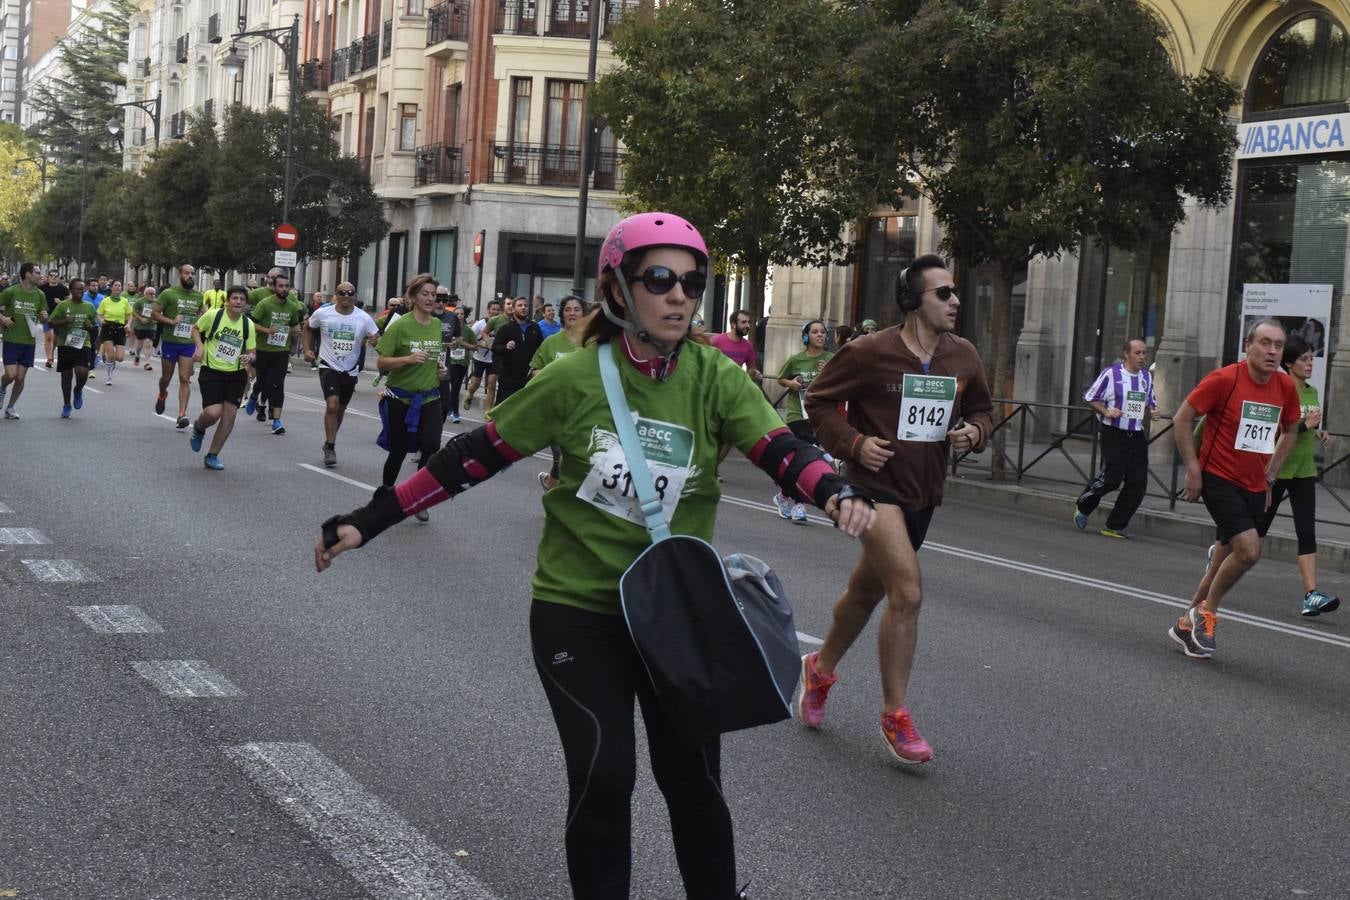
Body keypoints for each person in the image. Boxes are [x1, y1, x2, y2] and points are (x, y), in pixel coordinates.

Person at [314, 212, 876, 899]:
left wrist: (835, 492)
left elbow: (779, 449)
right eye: (660, 279)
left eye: (693, 283)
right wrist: (371, 519)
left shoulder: (713, 376)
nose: (679, 297)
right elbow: (471, 459)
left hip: (674, 615)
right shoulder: (576, 378)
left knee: (693, 782)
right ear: (619, 289)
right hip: (578, 612)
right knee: (606, 775)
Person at [802, 254, 993, 764]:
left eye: (954, 292)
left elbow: (983, 409)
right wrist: (854, 443)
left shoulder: (964, 356)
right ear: (913, 300)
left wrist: (974, 432)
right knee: (906, 593)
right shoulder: (869, 352)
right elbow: (817, 401)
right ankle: (895, 716)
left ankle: (818, 668)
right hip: (873, 490)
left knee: (865, 593)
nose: (955, 301)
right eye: (943, 293)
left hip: (922, 495)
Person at [1169, 319, 1303, 659]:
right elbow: (1182, 418)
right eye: (1265, 343)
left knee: (1221, 563)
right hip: (1218, 478)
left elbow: (1290, 430)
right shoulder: (1224, 379)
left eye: (1278, 346)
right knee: (1249, 551)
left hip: (1255, 485)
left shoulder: (1285, 387)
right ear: (1248, 345)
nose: (1272, 351)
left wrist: (1271, 475)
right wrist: (1193, 469)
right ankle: (1206, 614)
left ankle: (1186, 624)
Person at [1251, 334, 1339, 617]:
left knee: (1307, 531)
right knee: (1257, 529)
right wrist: (1304, 426)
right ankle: (1221, 554)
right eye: (1304, 359)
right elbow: (1275, 432)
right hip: (1278, 470)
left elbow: (1308, 426)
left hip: (1303, 471)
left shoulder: (1312, 392)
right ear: (1289, 363)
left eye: (1312, 358)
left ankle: (1311, 595)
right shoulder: (1281, 390)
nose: (1310, 363)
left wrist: (1319, 432)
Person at [375, 274, 447, 522]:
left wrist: (440, 369)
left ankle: (419, 498)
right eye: (425, 294)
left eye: (433, 294)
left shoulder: (437, 325)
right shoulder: (400, 326)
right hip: (401, 398)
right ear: (413, 296)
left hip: (429, 396)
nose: (430, 299)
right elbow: (381, 362)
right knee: (398, 451)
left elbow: (435, 358)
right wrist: (406, 359)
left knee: (431, 444)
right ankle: (385, 493)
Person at [1073, 338, 1161, 538]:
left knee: (1138, 484)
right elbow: (1090, 397)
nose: (1142, 357)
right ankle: (1084, 505)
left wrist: (1153, 411)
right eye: (1137, 353)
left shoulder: (1146, 377)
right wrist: (1106, 411)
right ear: (1126, 354)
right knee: (1111, 479)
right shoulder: (1111, 374)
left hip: (1136, 434)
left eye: (1144, 353)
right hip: (1113, 433)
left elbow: (1150, 401)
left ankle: (1115, 525)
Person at [307, 281, 381, 467]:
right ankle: (331, 446)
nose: (346, 296)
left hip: (350, 369)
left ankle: (329, 441)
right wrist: (308, 350)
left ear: (355, 296)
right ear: (336, 295)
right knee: (332, 405)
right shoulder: (324, 313)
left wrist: (375, 341)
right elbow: (307, 328)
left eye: (350, 293)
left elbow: (377, 339)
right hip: (328, 365)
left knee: (340, 409)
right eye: (342, 293)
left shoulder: (363, 318)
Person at [188, 286, 257, 470]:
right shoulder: (214, 316)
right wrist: (200, 347)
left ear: (245, 304)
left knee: (229, 415)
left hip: (236, 374)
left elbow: (252, 352)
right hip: (212, 370)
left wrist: (249, 357)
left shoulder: (247, 324)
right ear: (227, 301)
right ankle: (199, 428)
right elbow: (195, 329)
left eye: (242, 299)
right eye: (235, 298)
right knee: (213, 413)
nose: (238, 302)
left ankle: (212, 455)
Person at [773, 319, 835, 523]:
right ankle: (798, 505)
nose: (820, 335)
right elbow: (781, 378)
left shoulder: (831, 359)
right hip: (797, 414)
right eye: (815, 332)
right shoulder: (796, 359)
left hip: (820, 414)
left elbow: (841, 383)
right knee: (805, 457)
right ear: (806, 337)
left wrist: (829, 370)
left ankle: (783, 496)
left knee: (814, 458)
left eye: (823, 332)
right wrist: (791, 383)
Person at [530, 294, 586, 490]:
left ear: (583, 313)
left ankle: (550, 484)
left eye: (576, 309)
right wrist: (553, 376)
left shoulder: (593, 344)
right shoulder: (551, 342)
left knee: (575, 461)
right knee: (561, 457)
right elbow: (534, 370)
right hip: (557, 412)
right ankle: (557, 502)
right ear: (562, 313)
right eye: (568, 309)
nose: (572, 313)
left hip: (585, 411)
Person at [246, 269, 307, 434]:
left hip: (281, 351)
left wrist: (297, 331)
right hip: (263, 349)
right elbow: (252, 324)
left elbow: (294, 324)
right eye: (281, 286)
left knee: (277, 385)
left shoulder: (292, 307)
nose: (284, 289)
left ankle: (277, 420)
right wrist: (267, 331)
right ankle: (254, 395)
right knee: (263, 381)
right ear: (274, 286)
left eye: (287, 286)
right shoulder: (265, 304)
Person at [152, 263, 205, 429]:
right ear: (180, 275)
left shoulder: (198, 296)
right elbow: (154, 313)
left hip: (188, 344)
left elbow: (200, 314)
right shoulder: (168, 294)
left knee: (184, 378)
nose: (191, 276)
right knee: (166, 379)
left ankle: (182, 415)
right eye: (187, 273)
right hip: (170, 342)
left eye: (193, 274)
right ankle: (162, 393)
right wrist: (171, 321)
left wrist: (201, 321)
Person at [0, 262, 49, 419]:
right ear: (27, 274)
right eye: (36, 272)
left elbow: (41, 316)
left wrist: (43, 317)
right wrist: (3, 318)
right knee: (11, 375)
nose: (39, 275)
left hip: (29, 342)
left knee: (20, 378)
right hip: (11, 339)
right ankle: (2, 388)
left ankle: (11, 407)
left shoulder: (40, 295)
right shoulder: (11, 291)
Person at [48, 279, 97, 418]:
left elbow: (94, 326)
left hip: (83, 343)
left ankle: (78, 389)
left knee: (82, 372)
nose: (80, 292)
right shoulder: (63, 306)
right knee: (66, 376)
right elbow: (51, 322)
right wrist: (64, 321)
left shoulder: (89, 307)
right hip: (65, 343)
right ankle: (66, 404)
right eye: (77, 289)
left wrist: (90, 326)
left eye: (82, 289)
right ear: (71, 290)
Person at [491, 295, 543, 405]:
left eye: (525, 305)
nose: (523, 308)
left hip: (528, 377)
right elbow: (495, 347)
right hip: (508, 377)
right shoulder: (506, 328)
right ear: (513, 309)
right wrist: (505, 346)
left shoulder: (534, 327)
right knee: (504, 409)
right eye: (520, 305)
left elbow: (541, 348)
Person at [433, 286, 472, 426]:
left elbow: (458, 339)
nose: (441, 302)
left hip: (443, 367)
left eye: (444, 299)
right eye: (438, 298)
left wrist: (454, 343)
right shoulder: (425, 314)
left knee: (444, 404)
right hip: (423, 366)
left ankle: (436, 429)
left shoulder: (452, 317)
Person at [462, 298, 502, 410]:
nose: (496, 312)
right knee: (475, 384)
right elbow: (469, 339)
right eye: (493, 309)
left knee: (492, 384)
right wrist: (483, 344)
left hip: (494, 359)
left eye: (498, 310)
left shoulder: (501, 324)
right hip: (480, 358)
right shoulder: (480, 324)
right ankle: (469, 394)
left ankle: (488, 410)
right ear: (488, 310)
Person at [709, 308, 761, 383]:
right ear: (733, 325)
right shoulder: (716, 340)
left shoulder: (748, 346)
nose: (747, 325)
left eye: (748, 322)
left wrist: (755, 373)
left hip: (735, 386)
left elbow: (751, 368)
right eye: (743, 322)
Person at [96, 280, 131, 385]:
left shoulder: (124, 301)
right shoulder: (105, 301)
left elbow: (129, 314)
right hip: (108, 327)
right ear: (111, 288)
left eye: (119, 285)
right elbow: (99, 313)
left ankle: (110, 362)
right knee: (110, 355)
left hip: (120, 328)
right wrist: (101, 321)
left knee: (120, 358)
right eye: (116, 285)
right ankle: (109, 376)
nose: (118, 287)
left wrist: (128, 324)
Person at [39, 269, 70, 368]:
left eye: (55, 276)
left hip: (58, 316)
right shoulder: (42, 288)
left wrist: (60, 302)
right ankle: (49, 359)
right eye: (51, 275)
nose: (53, 277)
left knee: (55, 339)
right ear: (48, 277)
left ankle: (51, 354)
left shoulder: (63, 289)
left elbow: (69, 303)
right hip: (46, 315)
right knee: (49, 336)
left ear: (58, 278)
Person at [131, 286, 159, 369]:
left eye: (154, 294)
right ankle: (137, 355)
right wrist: (140, 318)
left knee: (148, 343)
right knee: (139, 345)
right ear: (146, 294)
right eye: (150, 294)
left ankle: (147, 363)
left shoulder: (157, 303)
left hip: (151, 326)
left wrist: (156, 319)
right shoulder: (140, 301)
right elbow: (133, 311)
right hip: (140, 326)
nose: (153, 295)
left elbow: (161, 312)